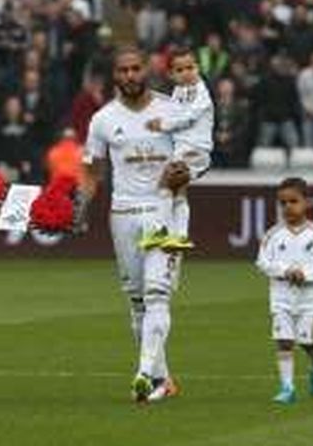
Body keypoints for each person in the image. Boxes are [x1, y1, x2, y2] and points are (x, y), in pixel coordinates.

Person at [81, 45, 189, 403]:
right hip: (123, 214)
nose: (129, 76)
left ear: (148, 70)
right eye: (123, 70)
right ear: (115, 75)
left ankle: (145, 376)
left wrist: (180, 177)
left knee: (158, 293)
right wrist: (77, 208)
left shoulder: (173, 111)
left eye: (135, 69)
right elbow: (92, 172)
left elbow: (193, 160)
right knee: (138, 301)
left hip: (165, 211)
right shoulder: (102, 119)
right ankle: (163, 377)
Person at [256, 177, 313, 404]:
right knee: (283, 341)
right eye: (283, 203)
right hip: (281, 297)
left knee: (306, 342)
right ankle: (287, 388)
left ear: (306, 203)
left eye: (293, 201)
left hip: (308, 299)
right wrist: (284, 271)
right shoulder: (272, 234)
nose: (288, 207)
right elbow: (262, 262)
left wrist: (305, 274)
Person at [143, 47, 214, 251]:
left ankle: (160, 229)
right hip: (182, 148)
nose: (187, 72)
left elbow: (188, 117)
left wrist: (163, 125)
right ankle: (180, 235)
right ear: (172, 75)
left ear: (198, 68)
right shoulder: (177, 92)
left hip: (196, 150)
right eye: (180, 69)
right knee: (178, 189)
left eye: (190, 67)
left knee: (165, 180)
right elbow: (172, 115)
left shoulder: (201, 92)